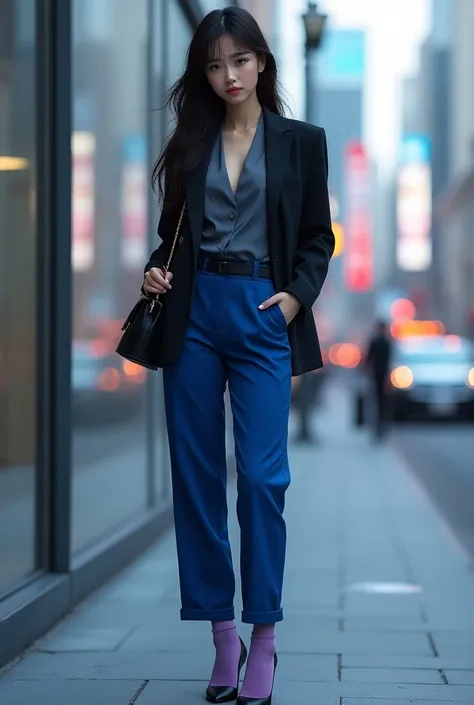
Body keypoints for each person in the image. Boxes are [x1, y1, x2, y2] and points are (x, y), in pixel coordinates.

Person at [142, 7, 334, 704]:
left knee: (259, 478)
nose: (229, 75)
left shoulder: (300, 142)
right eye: (216, 64)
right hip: (193, 316)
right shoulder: (191, 143)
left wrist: (292, 299)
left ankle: (268, 635)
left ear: (262, 62)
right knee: (196, 480)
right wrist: (155, 270)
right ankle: (223, 634)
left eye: (241, 61)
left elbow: (318, 238)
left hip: (260, 312)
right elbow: (172, 239)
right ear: (205, 72)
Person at [365, 320, 392, 439]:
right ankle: (379, 426)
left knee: (380, 402)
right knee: (380, 402)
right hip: (380, 376)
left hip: (380, 376)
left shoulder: (381, 342)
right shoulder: (383, 342)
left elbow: (368, 360)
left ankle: (379, 426)